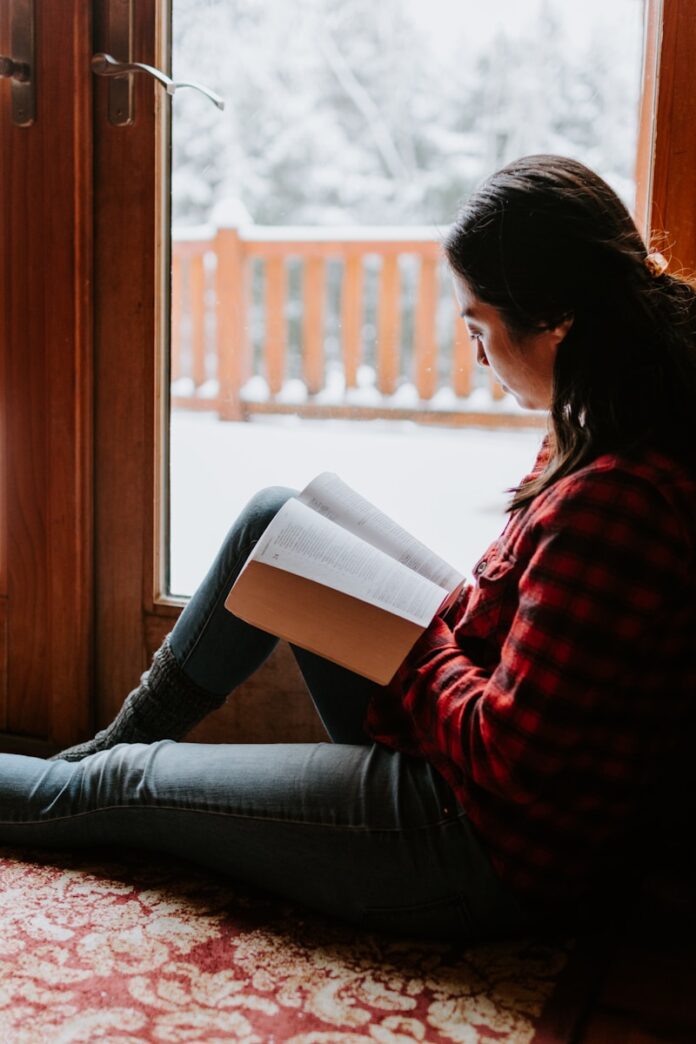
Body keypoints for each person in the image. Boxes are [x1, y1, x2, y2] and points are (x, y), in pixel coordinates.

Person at [0, 154, 694, 943]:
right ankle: (88, 765)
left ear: (558, 320)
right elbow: (523, 647)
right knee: (276, 521)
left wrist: (416, 638)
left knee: (129, 788)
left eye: (479, 328)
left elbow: (511, 760)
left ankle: (83, 785)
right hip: (459, 769)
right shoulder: (605, 418)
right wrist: (421, 616)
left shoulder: (618, 502)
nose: (473, 354)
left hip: (476, 844)